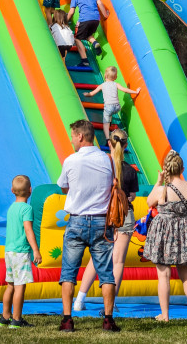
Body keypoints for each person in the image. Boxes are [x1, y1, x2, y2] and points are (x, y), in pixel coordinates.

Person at [56, 120, 121, 332]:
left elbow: (64, 187)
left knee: (68, 273)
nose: (72, 140)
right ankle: (108, 319)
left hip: (77, 219)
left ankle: (67, 320)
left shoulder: (71, 161)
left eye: (73, 136)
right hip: (102, 221)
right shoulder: (108, 160)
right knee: (106, 273)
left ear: (81, 137)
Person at [73, 129, 140, 313]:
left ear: (108, 143)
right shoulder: (130, 171)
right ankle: (110, 305)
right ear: (125, 146)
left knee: (96, 258)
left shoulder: (102, 165)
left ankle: (79, 299)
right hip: (124, 215)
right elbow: (132, 196)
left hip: (103, 215)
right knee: (117, 262)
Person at [143, 150, 187, 322]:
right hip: (183, 234)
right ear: (182, 168)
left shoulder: (162, 190)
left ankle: (164, 315)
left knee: (163, 275)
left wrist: (158, 182)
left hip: (164, 233)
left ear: (166, 170)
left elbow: (149, 202)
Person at [0, 175, 42, 328]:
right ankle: (16, 319)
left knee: (10, 285)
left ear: (12, 191)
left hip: (9, 251)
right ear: (30, 190)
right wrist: (35, 250)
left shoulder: (11, 208)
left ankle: (5, 317)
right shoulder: (26, 209)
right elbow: (28, 230)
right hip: (21, 252)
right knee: (20, 287)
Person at [83, 66, 140, 134]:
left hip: (109, 108)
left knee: (107, 114)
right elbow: (125, 90)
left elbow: (92, 94)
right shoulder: (116, 84)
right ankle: (111, 122)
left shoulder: (102, 85)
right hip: (117, 107)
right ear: (115, 77)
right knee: (110, 112)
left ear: (105, 75)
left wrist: (87, 94)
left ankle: (108, 128)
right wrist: (135, 92)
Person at [66, 0, 108, 67]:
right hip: (96, 19)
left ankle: (84, 61)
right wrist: (105, 15)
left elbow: (71, 12)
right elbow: (100, 3)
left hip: (85, 19)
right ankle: (95, 43)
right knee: (88, 35)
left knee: (77, 38)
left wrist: (66, 20)